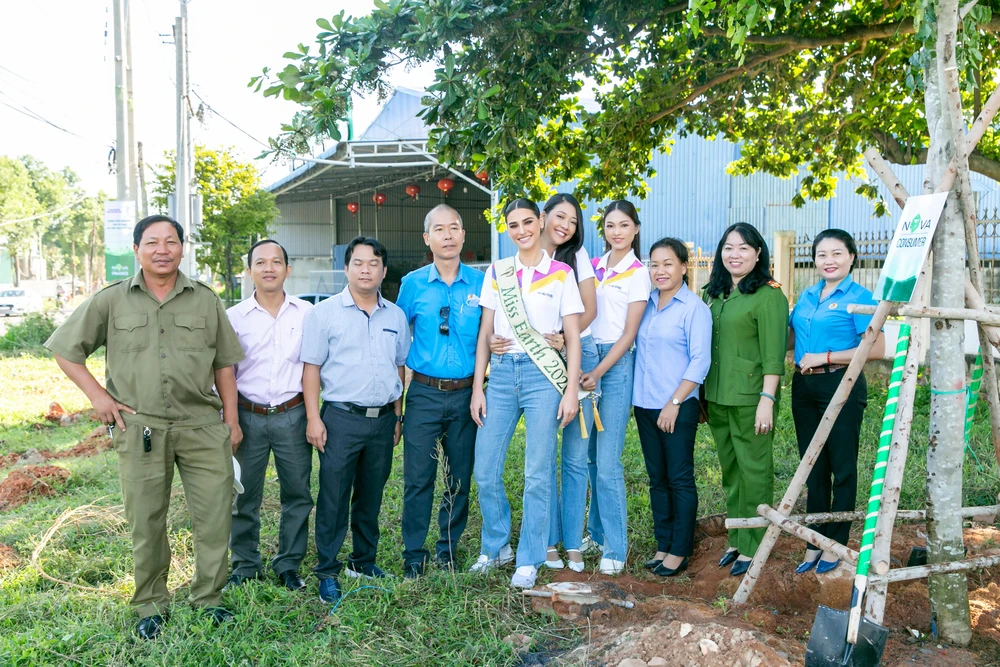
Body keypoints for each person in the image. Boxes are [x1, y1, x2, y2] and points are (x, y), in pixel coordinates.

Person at [45, 214, 245, 639]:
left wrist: (232, 420)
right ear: (137, 249)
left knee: (213, 517)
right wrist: (99, 397)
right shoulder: (112, 299)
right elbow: (66, 350)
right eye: (152, 242)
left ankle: (209, 598)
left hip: (203, 425)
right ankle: (150, 604)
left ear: (181, 248)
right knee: (147, 519)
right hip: (141, 427)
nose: (162, 250)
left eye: (170, 241)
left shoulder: (206, 300)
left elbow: (225, 364)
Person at [470, 198, 582, 589]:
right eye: (513, 225)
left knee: (537, 473)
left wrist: (571, 389)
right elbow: (486, 332)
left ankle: (530, 556)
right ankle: (496, 544)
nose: (521, 231)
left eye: (527, 222)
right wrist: (477, 387)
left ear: (541, 222)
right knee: (485, 468)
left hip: (542, 379)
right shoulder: (497, 272)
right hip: (500, 376)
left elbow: (572, 337)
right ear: (507, 229)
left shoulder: (562, 274)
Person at [301, 236, 409, 604]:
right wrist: (314, 418)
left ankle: (363, 561)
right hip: (340, 419)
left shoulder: (394, 315)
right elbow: (311, 369)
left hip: (382, 422)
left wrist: (397, 415)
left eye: (374, 263)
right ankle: (327, 570)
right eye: (359, 263)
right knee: (333, 496)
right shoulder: (325, 313)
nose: (366, 270)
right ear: (346, 268)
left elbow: (400, 365)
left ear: (383, 270)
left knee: (371, 494)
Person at [396, 205, 484, 578]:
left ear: (464, 235)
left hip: (467, 394)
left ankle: (447, 549)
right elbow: (398, 344)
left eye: (455, 228)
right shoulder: (412, 284)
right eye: (439, 229)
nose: (448, 235)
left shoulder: (482, 284)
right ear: (427, 238)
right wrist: (398, 403)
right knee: (419, 477)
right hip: (424, 395)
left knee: (459, 477)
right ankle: (414, 554)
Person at [789, 229, 884, 575]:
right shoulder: (808, 295)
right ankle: (815, 539)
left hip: (840, 383)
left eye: (837, 254)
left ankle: (838, 542)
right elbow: (791, 335)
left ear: (852, 257)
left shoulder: (861, 297)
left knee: (842, 466)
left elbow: (875, 348)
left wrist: (825, 356)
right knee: (812, 464)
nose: (829, 261)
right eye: (822, 255)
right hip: (804, 387)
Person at [226, 239, 313, 592]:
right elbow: (225, 372)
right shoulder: (233, 317)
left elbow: (313, 366)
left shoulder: (307, 313)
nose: (269, 268)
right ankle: (244, 565)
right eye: (260, 263)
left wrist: (312, 416)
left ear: (287, 270)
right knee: (244, 494)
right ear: (249, 272)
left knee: (298, 493)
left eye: (276, 262)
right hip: (248, 415)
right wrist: (229, 419)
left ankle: (288, 563)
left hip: (293, 415)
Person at [703, 222, 789, 577]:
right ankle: (737, 536)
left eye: (742, 248)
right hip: (717, 396)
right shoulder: (713, 293)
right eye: (728, 247)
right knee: (732, 471)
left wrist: (767, 399)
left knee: (754, 471)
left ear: (758, 254)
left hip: (752, 398)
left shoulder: (770, 295)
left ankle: (755, 545)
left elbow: (774, 355)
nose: (734, 254)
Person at [633, 238, 712, 577]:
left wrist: (674, 402)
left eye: (668, 263)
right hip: (645, 404)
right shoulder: (645, 304)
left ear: (683, 267)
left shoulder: (694, 308)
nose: (660, 270)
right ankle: (663, 544)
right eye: (654, 264)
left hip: (677, 406)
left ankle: (680, 550)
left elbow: (700, 361)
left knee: (679, 478)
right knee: (656, 478)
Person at [581, 200, 650, 574]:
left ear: (635, 229)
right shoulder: (592, 266)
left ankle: (615, 547)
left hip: (617, 363)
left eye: (624, 225)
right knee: (589, 456)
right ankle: (595, 530)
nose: (617, 232)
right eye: (610, 225)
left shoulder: (639, 273)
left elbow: (629, 334)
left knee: (608, 463)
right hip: (589, 357)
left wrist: (600, 371)